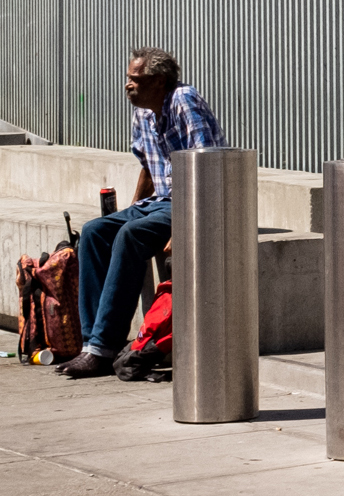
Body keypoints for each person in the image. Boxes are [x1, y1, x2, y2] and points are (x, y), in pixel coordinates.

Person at [57, 46, 226, 380]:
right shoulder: (143, 112)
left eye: (136, 79)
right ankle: (94, 344)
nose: (128, 86)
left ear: (159, 82)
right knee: (95, 231)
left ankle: (103, 346)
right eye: (128, 78)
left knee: (130, 235)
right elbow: (149, 168)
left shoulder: (183, 100)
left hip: (193, 200)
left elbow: (209, 164)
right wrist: (131, 209)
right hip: (160, 201)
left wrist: (185, 225)